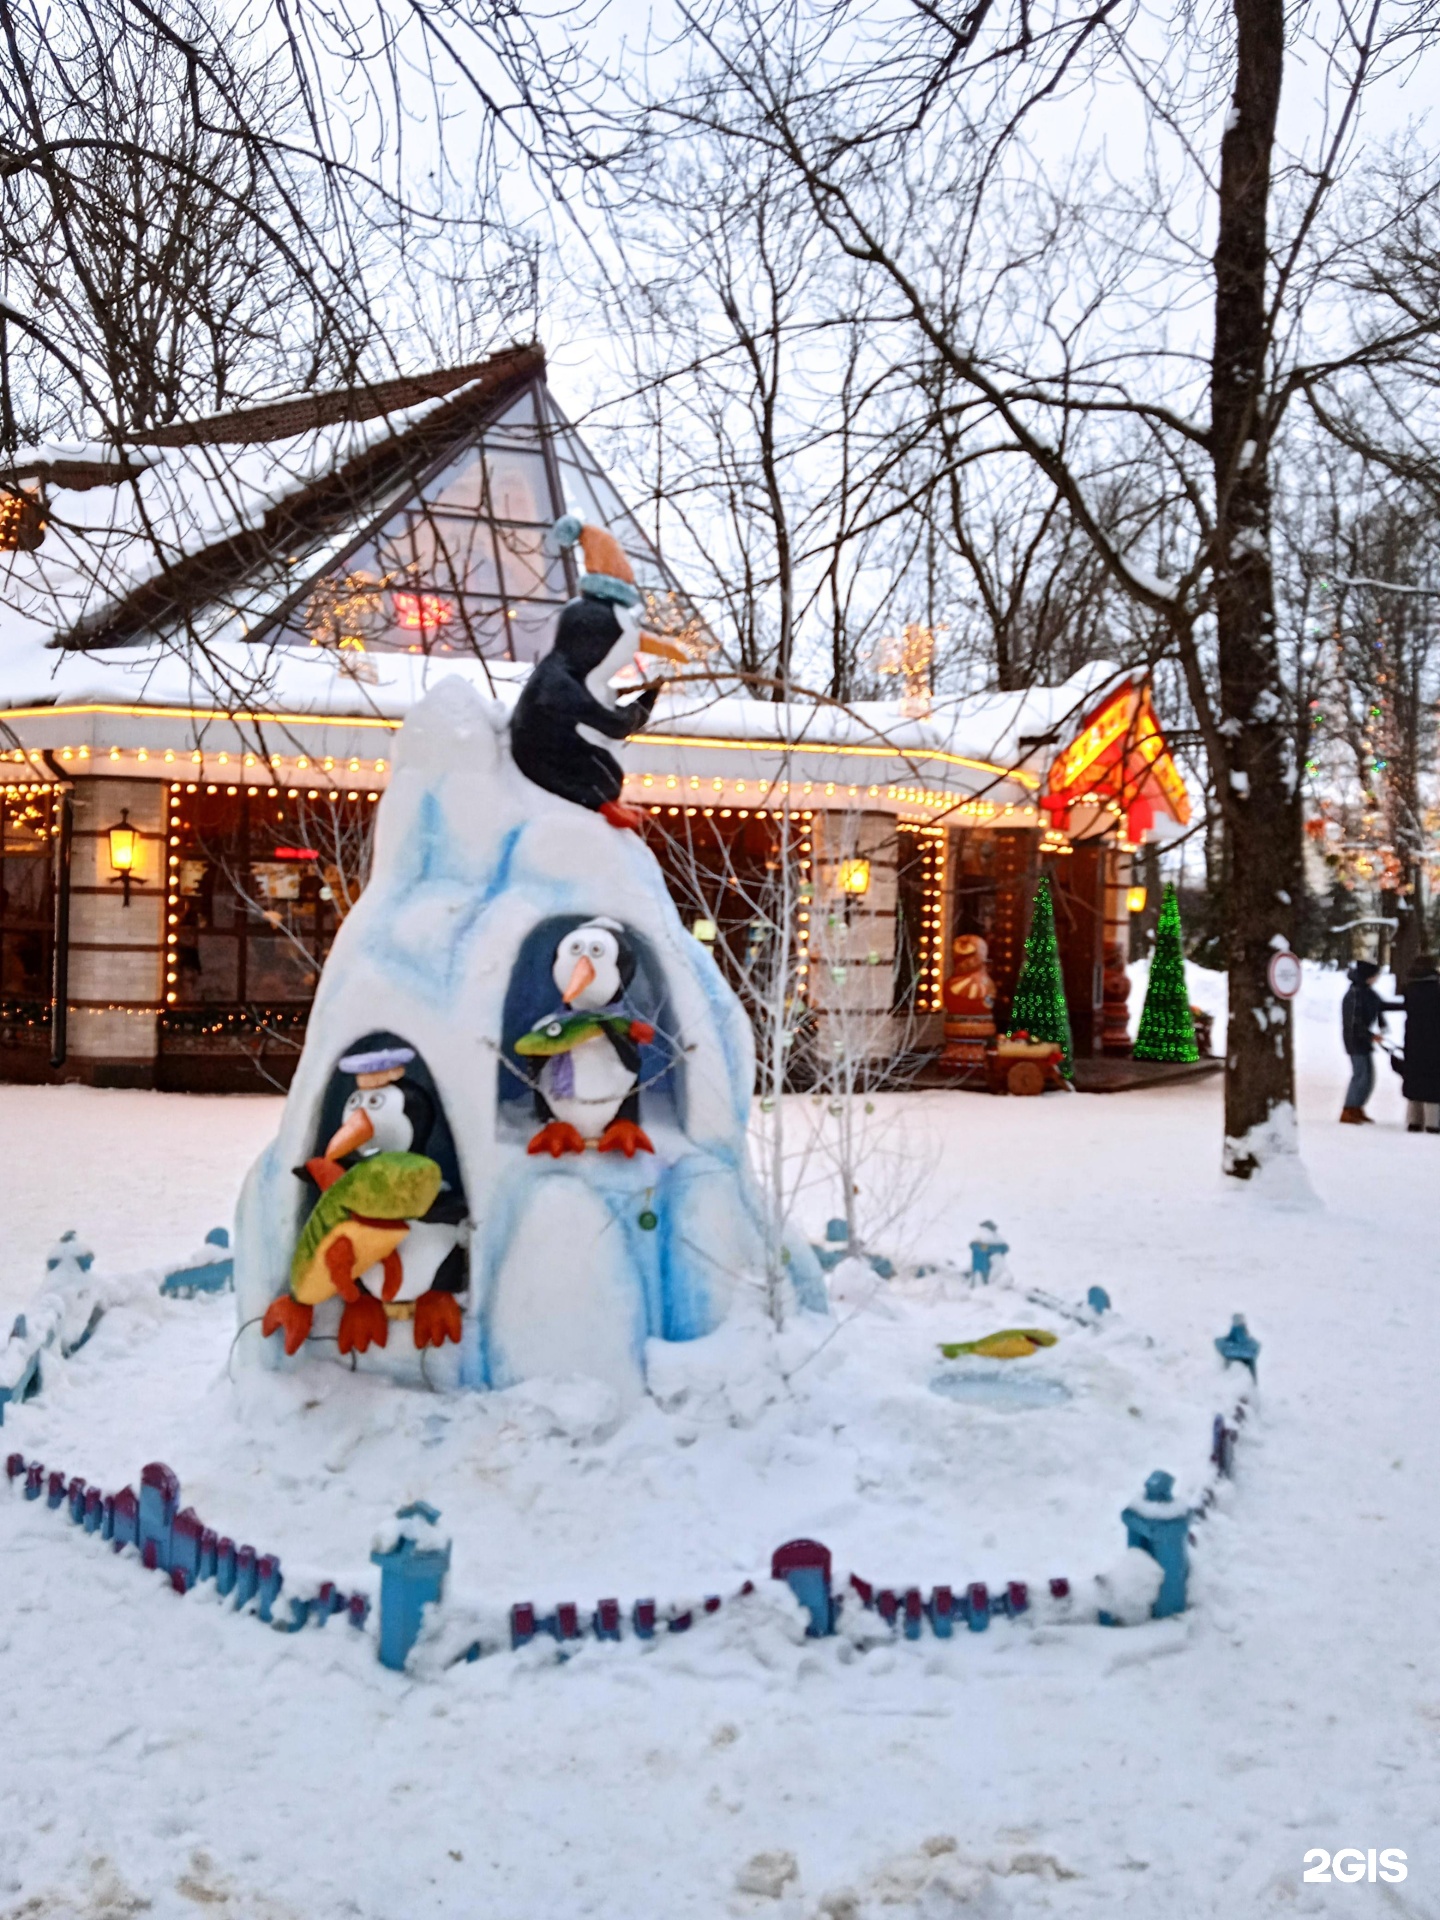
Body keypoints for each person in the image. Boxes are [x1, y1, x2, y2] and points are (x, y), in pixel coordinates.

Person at [1339, 959, 1397, 1124]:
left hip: (1362, 1039)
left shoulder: (1367, 992)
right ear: (1367, 976)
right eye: (1375, 975)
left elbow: (1382, 1006)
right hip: (1355, 1040)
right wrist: (1370, 1035)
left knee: (1369, 1077)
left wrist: (1409, 1005)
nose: (1377, 978)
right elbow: (1354, 1023)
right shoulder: (1355, 994)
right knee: (1361, 1075)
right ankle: (1348, 1109)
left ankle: (1357, 1108)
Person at [1399, 954, 1440, 1133]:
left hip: (1413, 1039)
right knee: (1433, 1081)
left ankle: (1414, 1120)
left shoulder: (1409, 989)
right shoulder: (1436, 990)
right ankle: (1433, 1122)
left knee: (1414, 1078)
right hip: (1435, 1040)